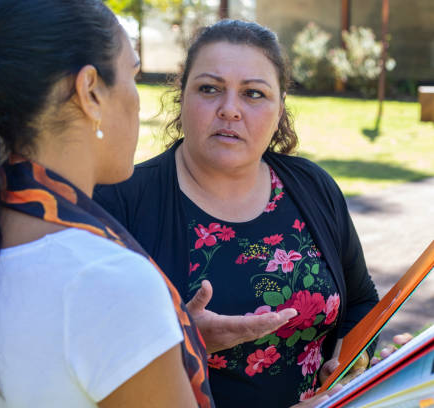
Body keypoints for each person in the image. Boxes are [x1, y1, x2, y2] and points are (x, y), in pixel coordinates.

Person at [0, 0, 216, 406]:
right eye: (132, 75)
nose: (138, 100)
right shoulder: (108, 282)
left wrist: (157, 340)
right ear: (90, 92)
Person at [94, 19, 379, 407]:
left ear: (280, 109)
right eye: (209, 89)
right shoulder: (120, 203)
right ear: (182, 97)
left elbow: (361, 301)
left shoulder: (313, 187)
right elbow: (89, 350)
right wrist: (180, 340)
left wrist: (349, 366)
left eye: (253, 94)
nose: (230, 109)